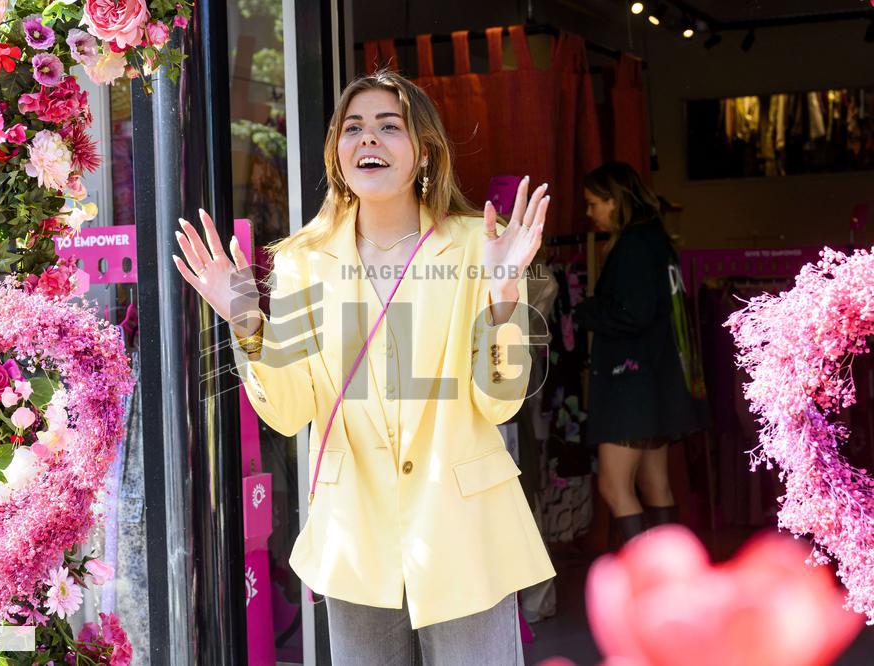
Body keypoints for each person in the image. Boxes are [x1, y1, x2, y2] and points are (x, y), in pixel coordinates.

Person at [173, 70, 555, 665]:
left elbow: (500, 401)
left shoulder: (476, 245)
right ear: (336, 153)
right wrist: (245, 317)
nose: (367, 140)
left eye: (387, 126)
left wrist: (503, 292)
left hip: (465, 536)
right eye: (353, 128)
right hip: (356, 540)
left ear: (423, 150)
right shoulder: (302, 262)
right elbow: (291, 408)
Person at [576, 161, 700, 545]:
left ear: (616, 201)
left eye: (595, 203)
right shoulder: (657, 240)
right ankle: (674, 584)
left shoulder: (632, 244)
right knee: (655, 485)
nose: (589, 213)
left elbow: (633, 313)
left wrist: (585, 309)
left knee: (615, 488)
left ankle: (649, 591)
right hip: (658, 379)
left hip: (629, 384)